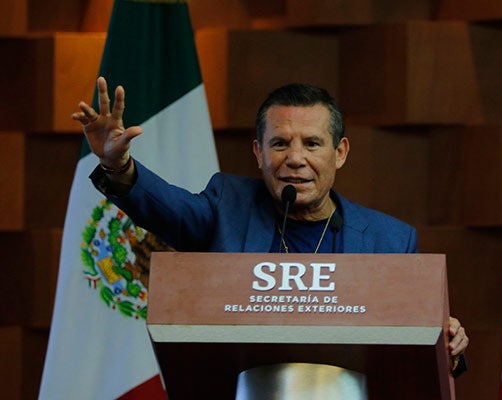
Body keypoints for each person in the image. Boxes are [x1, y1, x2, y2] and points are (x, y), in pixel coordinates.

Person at [73, 76, 469, 375]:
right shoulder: (227, 206)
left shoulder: (390, 241)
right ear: (258, 152)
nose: (295, 158)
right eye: (280, 143)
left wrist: (448, 344)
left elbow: (417, 345)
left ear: (340, 152)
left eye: (312, 143)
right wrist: (117, 165)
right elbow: (169, 209)